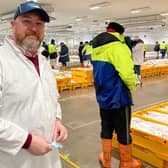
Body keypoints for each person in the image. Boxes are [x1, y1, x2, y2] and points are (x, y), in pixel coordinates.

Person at [0, 1, 68, 168]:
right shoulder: (2, 61)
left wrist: (57, 121)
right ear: (13, 25)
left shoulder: (44, 62)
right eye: (27, 21)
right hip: (14, 160)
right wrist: (27, 141)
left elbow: (52, 98)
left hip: (48, 156)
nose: (34, 28)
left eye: (39, 24)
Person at [92, 22, 142, 168]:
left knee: (106, 126)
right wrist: (132, 85)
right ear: (120, 34)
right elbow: (126, 73)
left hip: (102, 95)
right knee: (123, 129)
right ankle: (126, 162)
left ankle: (106, 160)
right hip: (119, 97)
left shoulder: (96, 47)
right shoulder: (119, 47)